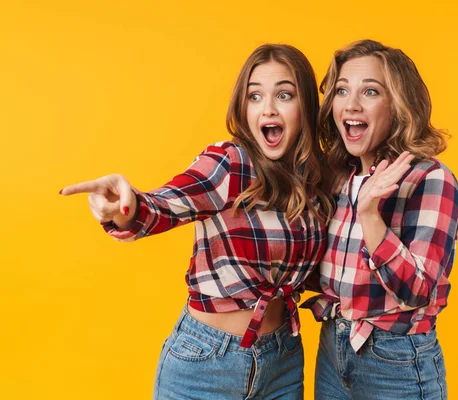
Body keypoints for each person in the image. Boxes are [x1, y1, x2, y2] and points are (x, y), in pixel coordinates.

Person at [60, 44, 332, 400]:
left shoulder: (314, 186)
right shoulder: (230, 163)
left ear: (305, 107)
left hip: (282, 361)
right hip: (205, 362)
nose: (268, 108)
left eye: (284, 95)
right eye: (255, 96)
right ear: (243, 106)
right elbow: (171, 202)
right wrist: (127, 209)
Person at [301, 39, 458, 400]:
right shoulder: (336, 175)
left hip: (395, 358)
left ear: (399, 105)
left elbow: (417, 291)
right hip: (333, 345)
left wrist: (370, 214)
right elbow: (320, 266)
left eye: (370, 91)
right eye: (342, 90)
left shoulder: (431, 179)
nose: (351, 104)